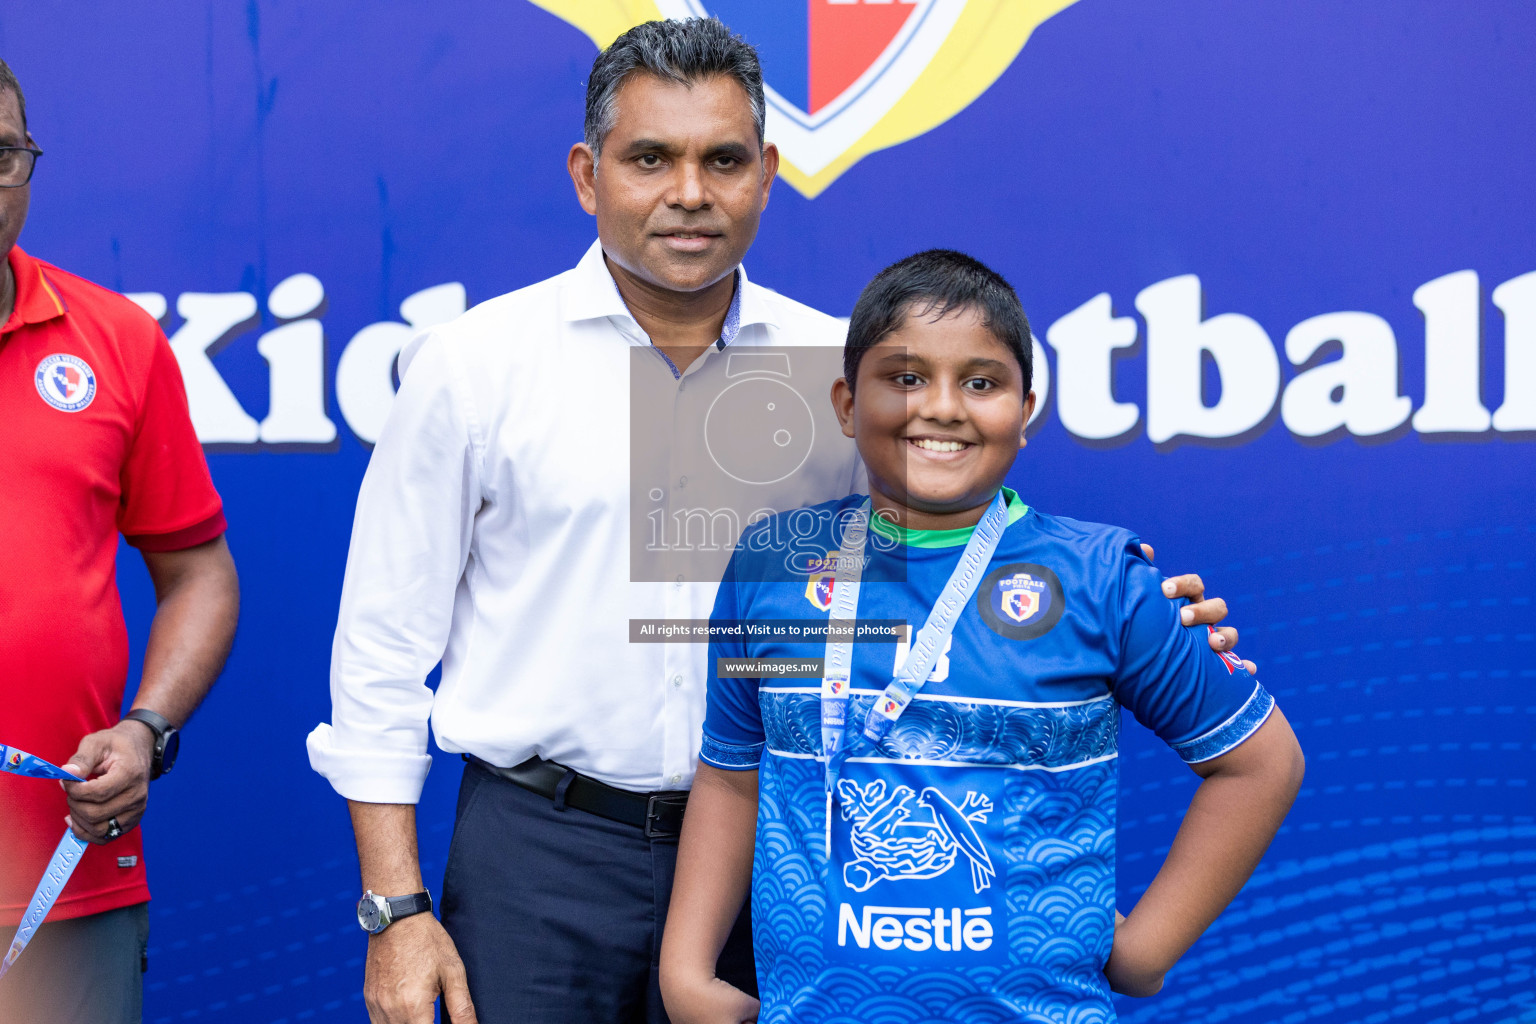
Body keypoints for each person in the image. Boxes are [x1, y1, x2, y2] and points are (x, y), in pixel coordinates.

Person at [306, 20, 1247, 1024]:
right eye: (650, 159)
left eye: (723, 159)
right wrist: (394, 908)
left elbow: (953, 559)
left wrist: (1152, 622)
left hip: (791, 856)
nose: (690, 193)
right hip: (542, 850)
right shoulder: (475, 365)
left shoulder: (835, 371)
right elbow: (380, 649)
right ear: (588, 175)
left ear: (768, 172)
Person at [659, 250, 1305, 1024]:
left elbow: (1260, 765)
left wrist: (1143, 953)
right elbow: (733, 773)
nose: (942, 408)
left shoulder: (1103, 578)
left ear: (1025, 409)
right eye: (904, 378)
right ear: (844, 403)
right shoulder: (772, 564)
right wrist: (686, 973)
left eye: (981, 382)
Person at [0, 59, 240, 1024]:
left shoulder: (115, 341)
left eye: (1, 153)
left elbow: (199, 576)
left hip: (63, 874)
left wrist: (147, 728)